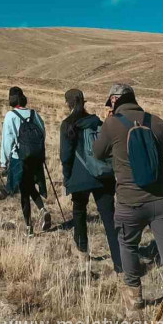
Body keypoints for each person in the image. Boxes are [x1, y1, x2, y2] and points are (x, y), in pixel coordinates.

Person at [93, 83, 163, 315]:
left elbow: (97, 153)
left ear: (115, 100)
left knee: (128, 245)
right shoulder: (157, 122)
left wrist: (108, 124)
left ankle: (135, 298)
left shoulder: (112, 124)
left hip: (129, 201)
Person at [59, 89, 121, 270]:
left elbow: (65, 156)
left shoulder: (67, 124)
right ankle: (119, 263)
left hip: (80, 177)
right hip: (103, 175)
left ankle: (83, 254)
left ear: (68, 103)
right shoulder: (96, 122)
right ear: (83, 102)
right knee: (109, 218)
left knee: (79, 213)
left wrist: (66, 178)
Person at [1, 86, 50, 236]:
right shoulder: (34, 113)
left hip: (19, 158)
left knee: (24, 192)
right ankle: (42, 209)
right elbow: (43, 132)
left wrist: (4, 162)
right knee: (29, 187)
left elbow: (6, 140)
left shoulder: (10, 116)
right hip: (35, 158)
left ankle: (29, 228)